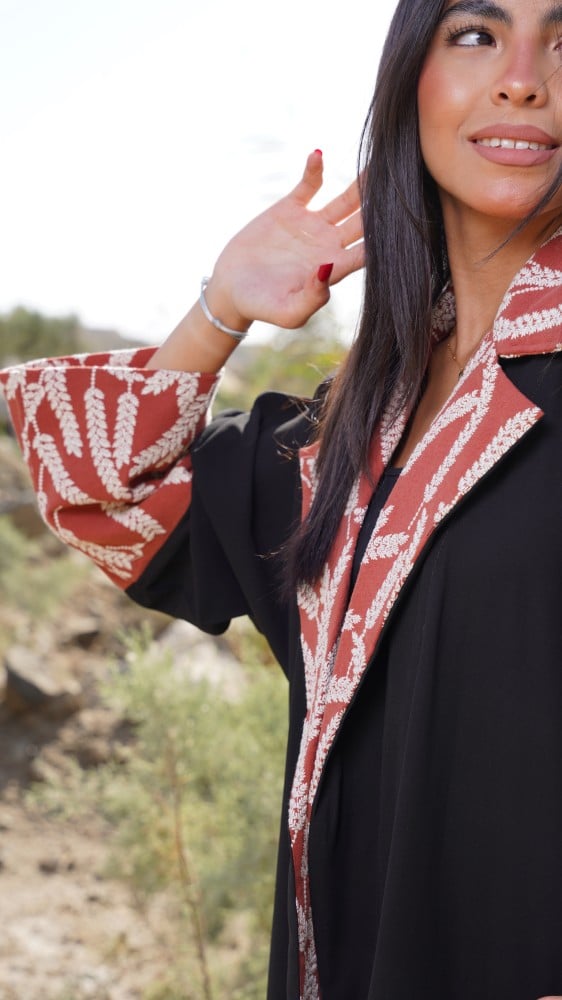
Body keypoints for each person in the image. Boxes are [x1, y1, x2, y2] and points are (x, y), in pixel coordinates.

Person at [1, 0, 562, 996]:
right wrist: (222, 307)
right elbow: (104, 493)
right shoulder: (348, 435)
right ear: (410, 82)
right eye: (476, 34)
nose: (522, 77)